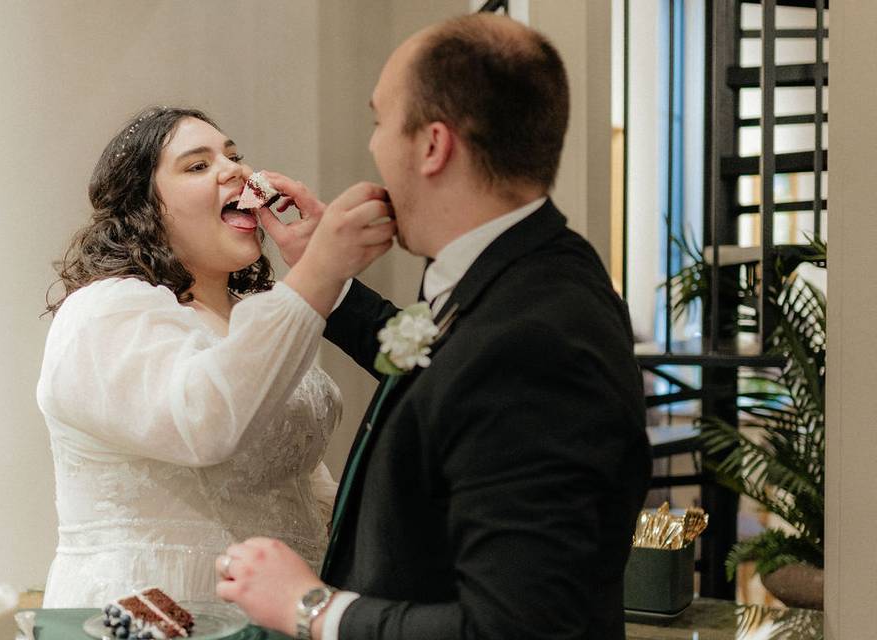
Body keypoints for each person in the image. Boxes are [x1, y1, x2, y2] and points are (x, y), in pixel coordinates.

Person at [215, 13, 652, 640]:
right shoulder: (524, 268)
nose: (372, 147)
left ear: (432, 145)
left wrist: (312, 608)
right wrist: (323, 272)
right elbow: (448, 375)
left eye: (379, 121)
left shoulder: (538, 340)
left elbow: (522, 628)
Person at [36, 106, 395, 606]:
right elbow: (203, 422)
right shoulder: (104, 311)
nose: (236, 170)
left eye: (234, 156)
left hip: (283, 610)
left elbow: (298, 482)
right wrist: (319, 270)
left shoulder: (256, 315)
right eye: (198, 165)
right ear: (145, 207)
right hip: (155, 609)